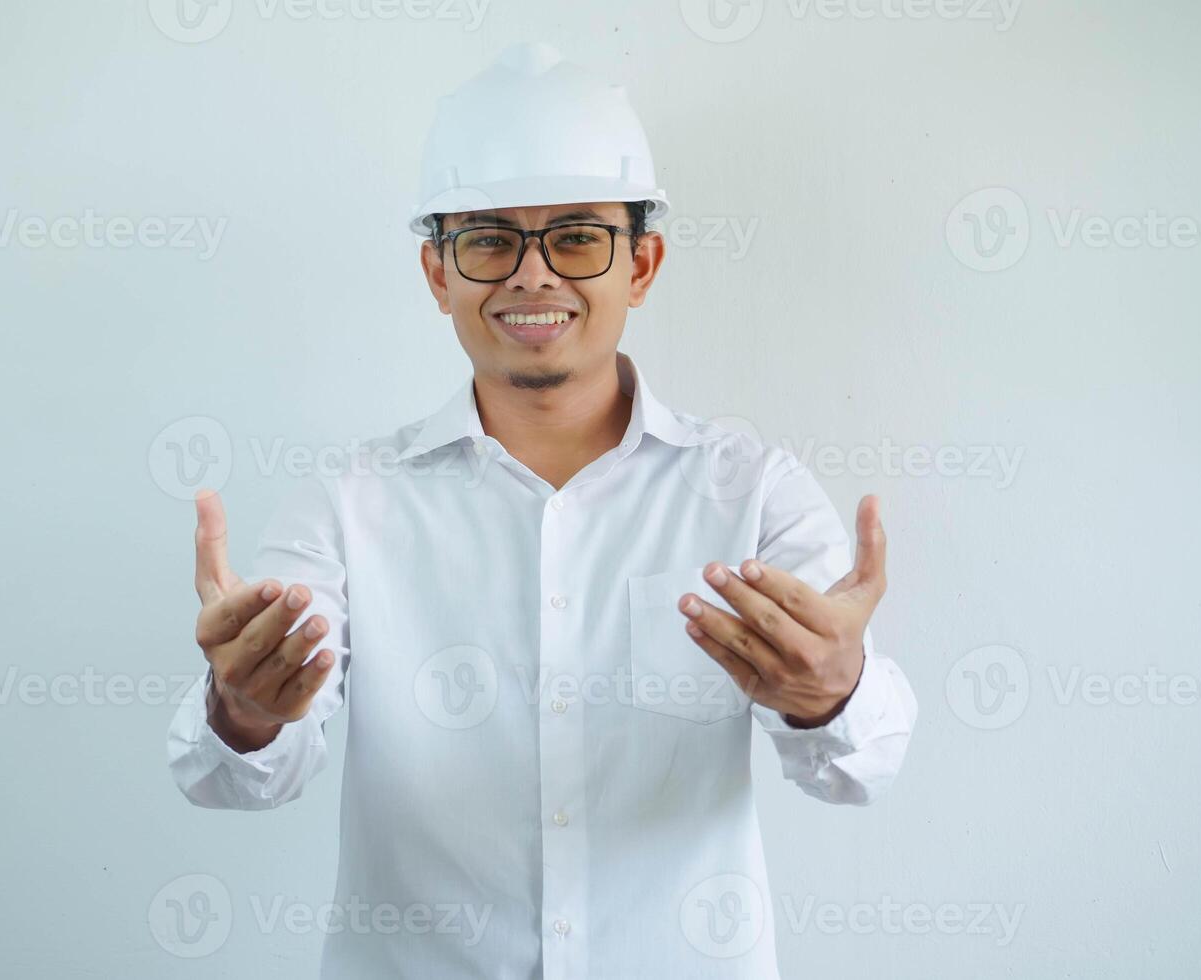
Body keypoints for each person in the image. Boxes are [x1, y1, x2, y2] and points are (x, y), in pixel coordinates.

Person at [167, 41, 917, 979]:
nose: (532, 275)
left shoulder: (750, 491)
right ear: (438, 274)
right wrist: (245, 712)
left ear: (640, 265)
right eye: (487, 238)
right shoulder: (348, 506)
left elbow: (865, 768)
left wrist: (831, 693)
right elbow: (233, 779)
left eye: (575, 235)